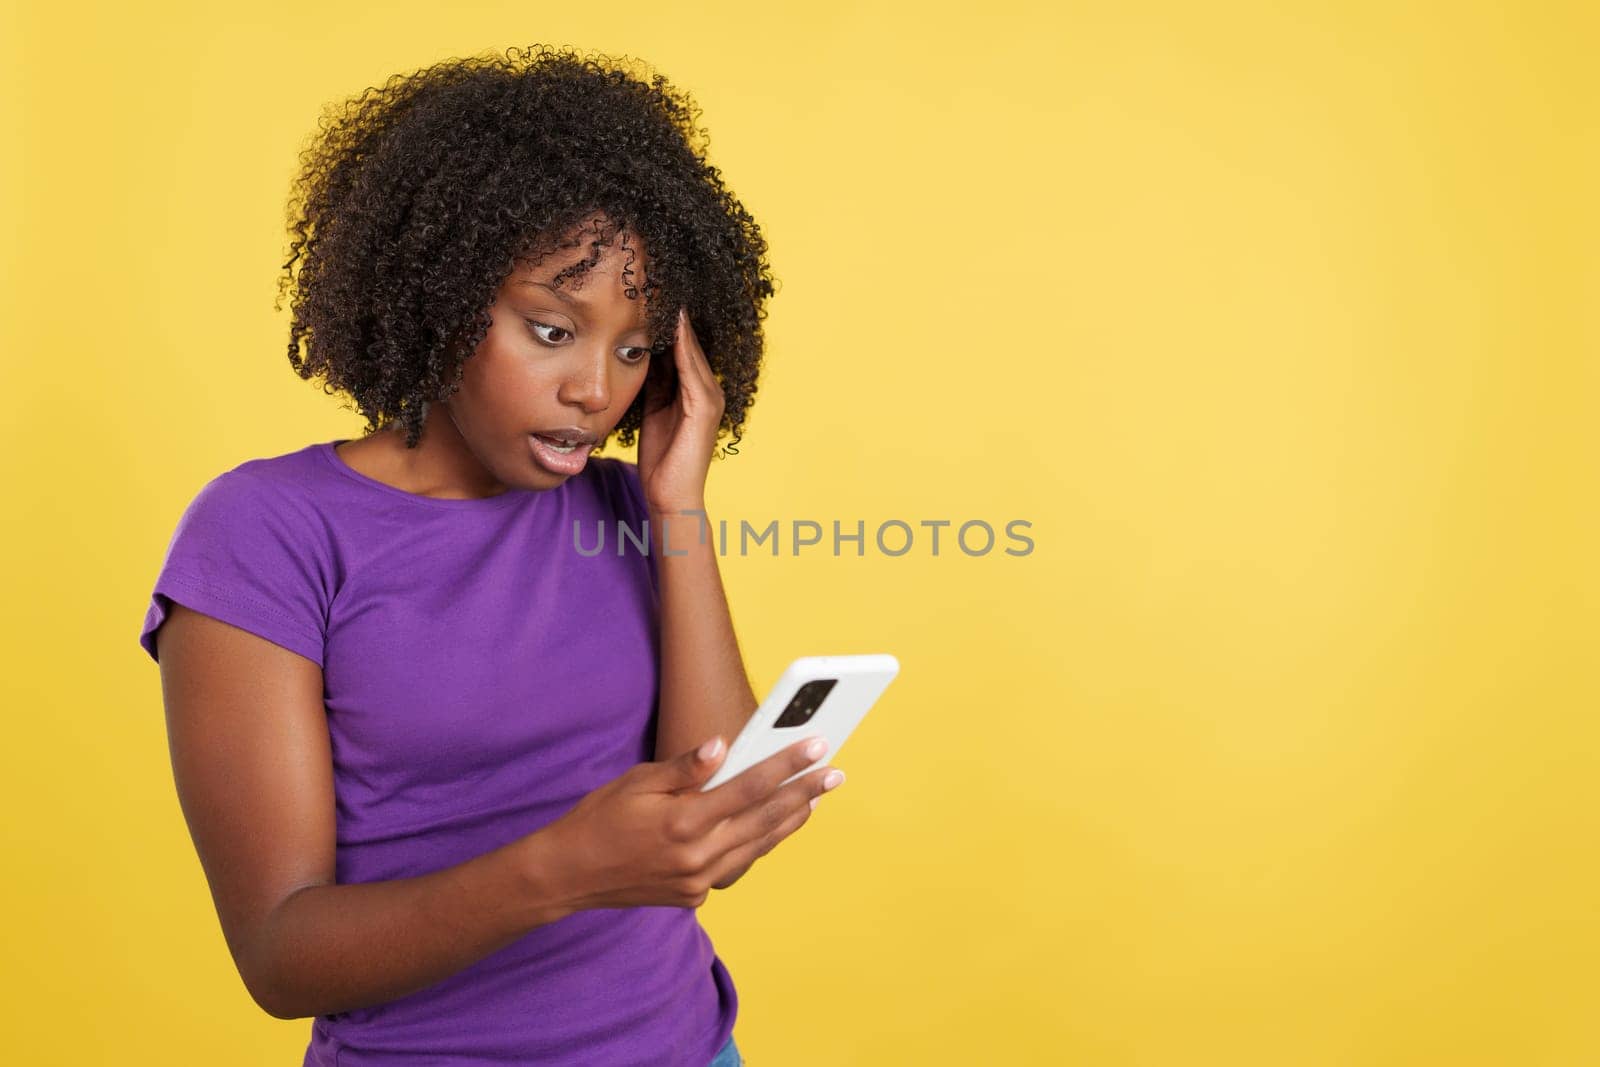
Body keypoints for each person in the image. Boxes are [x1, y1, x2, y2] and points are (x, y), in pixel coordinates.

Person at [136, 44, 845, 1066]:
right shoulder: (268, 532)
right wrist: (562, 866)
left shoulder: (630, 510)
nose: (595, 389)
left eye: (634, 347)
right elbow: (280, 954)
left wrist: (679, 505)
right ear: (438, 297)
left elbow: (709, 827)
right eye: (552, 329)